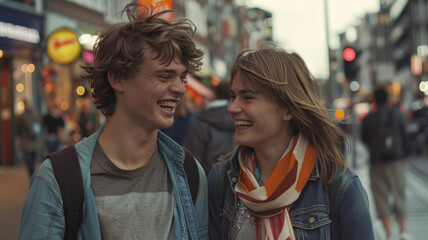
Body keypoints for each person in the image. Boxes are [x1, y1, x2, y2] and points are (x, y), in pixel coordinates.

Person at [19, 3, 208, 240]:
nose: (180, 89)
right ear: (118, 78)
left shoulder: (189, 173)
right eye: (164, 75)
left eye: (182, 78)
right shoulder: (56, 180)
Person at [208, 47, 374, 240]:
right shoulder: (221, 182)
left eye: (248, 97)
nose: (233, 107)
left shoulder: (340, 188)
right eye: (232, 96)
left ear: (287, 109)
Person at [361, 87, 410, 240]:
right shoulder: (397, 115)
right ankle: (403, 231)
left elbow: (364, 138)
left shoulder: (368, 118)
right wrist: (405, 156)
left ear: (374, 100)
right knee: (399, 195)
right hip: (396, 161)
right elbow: (404, 135)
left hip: (376, 163)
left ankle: (388, 234)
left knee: (380, 198)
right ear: (388, 99)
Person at [186, 80, 235, 174]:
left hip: (204, 182)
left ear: (214, 94)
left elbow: (192, 162)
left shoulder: (202, 122)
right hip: (228, 181)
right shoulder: (237, 121)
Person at [15, 98, 42, 177]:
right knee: (32, 162)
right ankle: (32, 175)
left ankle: (32, 176)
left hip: (26, 141)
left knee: (29, 162)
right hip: (33, 141)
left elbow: (17, 130)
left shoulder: (21, 117)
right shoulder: (35, 114)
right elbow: (39, 126)